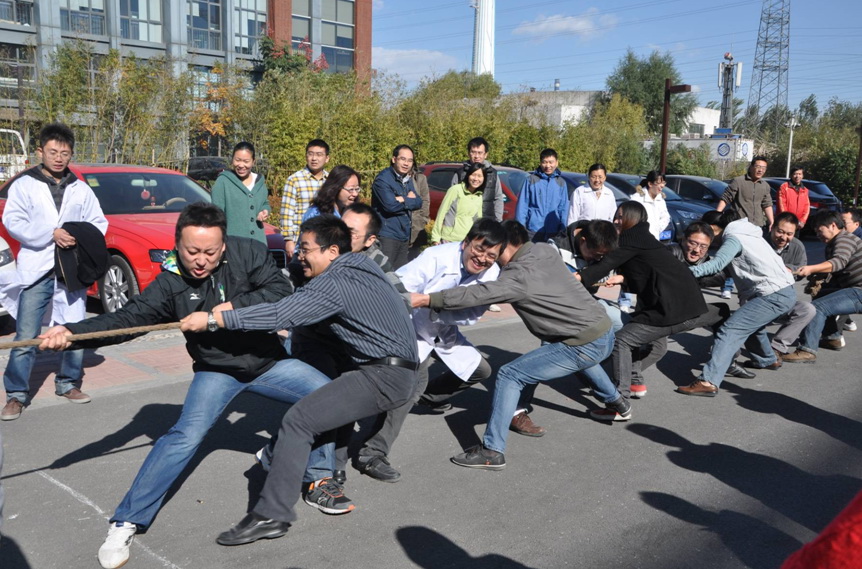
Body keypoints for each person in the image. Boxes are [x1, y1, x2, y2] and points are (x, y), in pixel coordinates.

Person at [37, 203, 339, 569]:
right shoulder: (170, 282)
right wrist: (72, 333)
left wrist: (225, 312)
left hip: (269, 362)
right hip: (217, 370)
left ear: (223, 245)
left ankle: (317, 477)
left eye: (210, 252)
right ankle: (126, 521)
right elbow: (128, 320)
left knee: (329, 396)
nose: (200, 261)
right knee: (184, 436)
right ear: (177, 244)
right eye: (192, 251)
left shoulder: (248, 251)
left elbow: (280, 290)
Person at [188, 215, 418, 547]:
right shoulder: (363, 265)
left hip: (384, 375)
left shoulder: (334, 282)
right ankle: (278, 460)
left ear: (332, 251)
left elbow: (281, 315)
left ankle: (271, 514)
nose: (299, 255)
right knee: (317, 406)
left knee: (299, 420)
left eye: (306, 249)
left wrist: (215, 319)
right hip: (392, 370)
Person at [413, 220, 627, 469]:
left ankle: (492, 451)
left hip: (583, 343)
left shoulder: (516, 276)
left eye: (494, 250)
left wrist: (427, 299)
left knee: (510, 374)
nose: (490, 257)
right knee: (553, 357)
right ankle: (617, 402)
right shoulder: (544, 250)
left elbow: (477, 294)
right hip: (602, 331)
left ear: (505, 246)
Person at [356, 219, 505, 482]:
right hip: (410, 328)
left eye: (491, 255)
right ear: (466, 243)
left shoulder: (491, 274)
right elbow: (399, 289)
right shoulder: (436, 257)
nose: (482, 259)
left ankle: (428, 398)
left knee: (480, 370)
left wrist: (436, 306)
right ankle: (372, 454)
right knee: (410, 385)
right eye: (479, 249)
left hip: (443, 330)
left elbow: (472, 315)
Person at [0, 123, 108, 421]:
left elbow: (97, 223)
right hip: (37, 267)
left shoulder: (80, 188)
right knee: (26, 333)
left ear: (71, 154)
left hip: (70, 267)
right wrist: (51, 232)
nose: (59, 158)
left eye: (65, 153)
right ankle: (16, 394)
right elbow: (14, 222)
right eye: (53, 152)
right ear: (40, 152)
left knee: (73, 328)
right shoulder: (24, 185)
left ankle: (68, 383)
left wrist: (77, 235)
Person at [577, 202, 710, 417]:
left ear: (634, 218)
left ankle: (618, 403)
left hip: (671, 307)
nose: (617, 220)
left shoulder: (632, 238)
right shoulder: (642, 237)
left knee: (623, 341)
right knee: (652, 342)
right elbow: (643, 270)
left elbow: (605, 265)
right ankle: (634, 381)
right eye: (616, 215)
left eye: (622, 217)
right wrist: (623, 278)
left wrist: (576, 278)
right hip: (675, 304)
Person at [677, 209, 796, 397]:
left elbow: (717, 264)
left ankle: (708, 382)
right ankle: (767, 359)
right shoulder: (748, 233)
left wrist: (683, 273)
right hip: (783, 291)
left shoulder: (733, 238)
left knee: (730, 330)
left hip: (773, 294)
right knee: (751, 325)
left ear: (715, 228)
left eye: (708, 232)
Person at [783, 211, 862, 363]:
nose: (818, 235)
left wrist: (811, 268)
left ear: (833, 225)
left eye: (820, 230)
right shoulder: (834, 243)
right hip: (854, 288)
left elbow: (839, 262)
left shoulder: (844, 239)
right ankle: (832, 338)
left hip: (859, 291)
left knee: (817, 308)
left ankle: (806, 350)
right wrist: (818, 276)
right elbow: (837, 271)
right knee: (822, 294)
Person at [742, 211, 815, 368]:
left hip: (782, 300)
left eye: (789, 234)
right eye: (780, 232)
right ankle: (757, 354)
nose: (783, 237)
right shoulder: (758, 243)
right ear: (772, 227)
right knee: (750, 325)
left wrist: (790, 270)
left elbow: (800, 270)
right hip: (757, 299)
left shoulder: (797, 246)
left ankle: (776, 348)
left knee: (807, 309)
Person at [372, 144, 423, 269]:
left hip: (403, 234)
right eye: (403, 159)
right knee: (384, 272)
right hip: (387, 235)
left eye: (410, 160)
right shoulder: (383, 179)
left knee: (400, 273)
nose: (406, 163)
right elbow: (390, 206)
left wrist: (401, 199)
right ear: (394, 159)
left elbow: (418, 202)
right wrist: (408, 199)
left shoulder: (407, 179)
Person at [210, 141, 269, 243]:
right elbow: (216, 215)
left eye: (246, 161)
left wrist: (265, 210)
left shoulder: (259, 183)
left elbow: (265, 203)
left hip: (258, 243)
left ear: (253, 162)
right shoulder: (223, 182)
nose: (241, 165)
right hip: (233, 244)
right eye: (237, 160)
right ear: (232, 159)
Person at [280, 139, 330, 257]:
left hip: (325, 239)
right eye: (310, 154)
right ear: (306, 156)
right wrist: (288, 240)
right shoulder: (294, 180)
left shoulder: (330, 180)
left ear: (327, 158)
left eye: (319, 154)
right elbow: (286, 213)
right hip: (301, 241)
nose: (314, 158)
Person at [514, 148, 568, 242]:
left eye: (551, 162)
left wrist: (563, 228)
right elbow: (523, 205)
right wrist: (520, 229)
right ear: (540, 163)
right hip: (533, 229)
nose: (548, 166)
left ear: (556, 163)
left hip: (553, 230)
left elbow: (563, 208)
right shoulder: (531, 180)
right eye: (544, 162)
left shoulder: (561, 183)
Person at [431, 162, 488, 244]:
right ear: (468, 175)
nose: (476, 179)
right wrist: (435, 238)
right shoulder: (455, 190)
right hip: (449, 239)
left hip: (466, 240)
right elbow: (442, 213)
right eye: (473, 175)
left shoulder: (479, 196)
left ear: (484, 179)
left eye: (479, 176)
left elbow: (478, 220)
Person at [450, 136, 504, 221]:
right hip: (464, 222)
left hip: (487, 222)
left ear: (485, 155)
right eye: (473, 152)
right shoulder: (460, 174)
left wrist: (498, 221)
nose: (476, 156)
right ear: (469, 153)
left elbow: (498, 198)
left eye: (480, 153)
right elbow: (451, 201)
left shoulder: (492, 174)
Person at [717, 156, 774, 231]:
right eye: (758, 167)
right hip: (739, 223)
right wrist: (716, 215)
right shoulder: (738, 181)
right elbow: (726, 198)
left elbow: (767, 205)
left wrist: (771, 222)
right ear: (751, 167)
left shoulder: (765, 185)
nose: (760, 170)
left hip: (757, 226)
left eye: (764, 168)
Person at [630, 170, 671, 240]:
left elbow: (666, 217)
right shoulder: (637, 199)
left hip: (654, 239)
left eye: (663, 183)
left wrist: (656, 228)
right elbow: (630, 220)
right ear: (650, 184)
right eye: (659, 183)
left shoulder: (660, 200)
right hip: (639, 239)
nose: (662, 186)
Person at [408, 164, 431, 259]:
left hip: (416, 223)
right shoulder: (391, 178)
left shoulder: (419, 178)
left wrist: (423, 218)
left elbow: (425, 200)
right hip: (399, 226)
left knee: (413, 256)